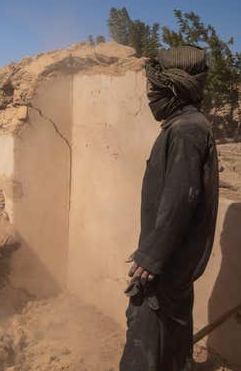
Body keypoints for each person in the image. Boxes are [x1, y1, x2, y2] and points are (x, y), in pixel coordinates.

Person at [120, 45, 219, 371]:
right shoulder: (189, 125)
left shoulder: (186, 130)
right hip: (174, 259)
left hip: (165, 266)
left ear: (174, 89)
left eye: (156, 89)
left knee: (145, 339)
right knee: (173, 340)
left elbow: (182, 197)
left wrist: (152, 256)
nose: (151, 97)